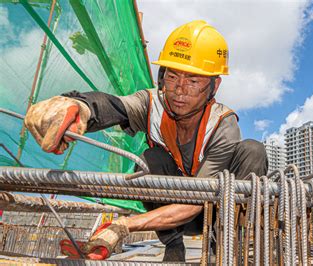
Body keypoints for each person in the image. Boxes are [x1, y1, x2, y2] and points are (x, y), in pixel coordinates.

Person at [24, 20, 268, 261]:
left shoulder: (222, 123)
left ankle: (224, 245)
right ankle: (174, 248)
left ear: (214, 86)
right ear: (162, 76)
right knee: (152, 159)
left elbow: (199, 201)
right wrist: (80, 106)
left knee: (253, 150)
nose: (180, 90)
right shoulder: (152, 103)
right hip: (170, 211)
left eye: (193, 81)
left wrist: (122, 227)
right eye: (172, 76)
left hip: (213, 211)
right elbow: (116, 106)